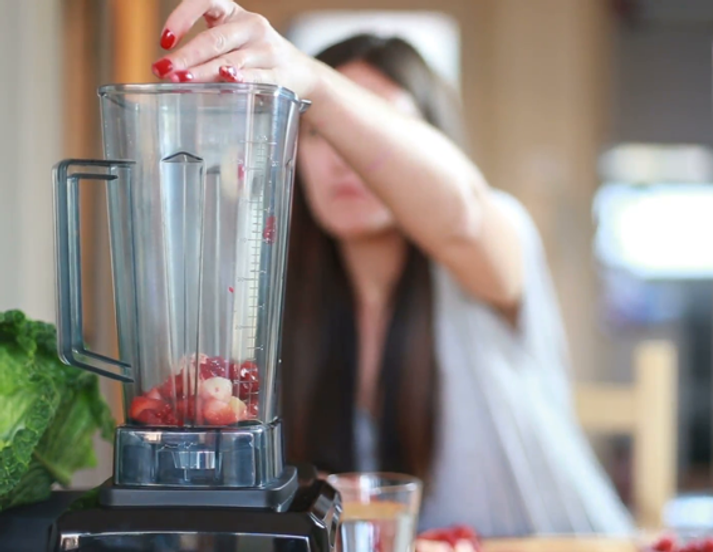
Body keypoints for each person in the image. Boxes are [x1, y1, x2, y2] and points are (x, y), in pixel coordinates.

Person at [156, 0, 634, 537]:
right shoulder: (269, 298)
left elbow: (463, 214)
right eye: (321, 133)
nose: (347, 157)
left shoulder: (495, 235)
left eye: (374, 127)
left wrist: (318, 84)